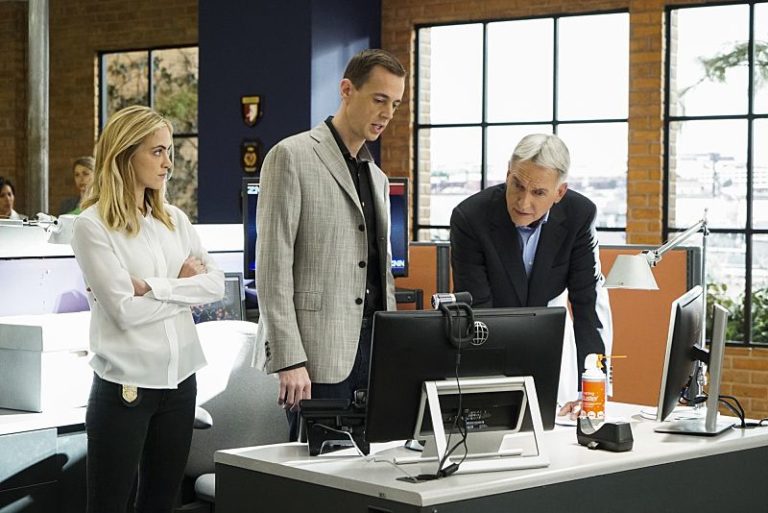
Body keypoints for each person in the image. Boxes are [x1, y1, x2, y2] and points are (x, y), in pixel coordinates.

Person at [70, 105, 224, 513]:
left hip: (181, 382)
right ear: (125, 154)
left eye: (169, 151)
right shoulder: (92, 226)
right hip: (126, 387)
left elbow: (215, 285)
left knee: (161, 503)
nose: (168, 163)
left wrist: (153, 287)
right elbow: (123, 312)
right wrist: (182, 287)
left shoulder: (174, 219)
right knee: (108, 506)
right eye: (157, 151)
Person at [254, 49, 407, 440]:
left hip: (374, 353)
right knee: (318, 471)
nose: (387, 113)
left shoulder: (376, 177)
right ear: (346, 90)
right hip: (316, 357)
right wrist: (289, 359)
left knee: (370, 467)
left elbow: (382, 273)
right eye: (379, 99)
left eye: (395, 104)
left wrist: (393, 354)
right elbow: (272, 269)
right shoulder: (291, 156)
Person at [449, 133, 613, 418]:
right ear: (508, 175)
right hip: (491, 345)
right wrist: (493, 392)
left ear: (559, 193)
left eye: (538, 193)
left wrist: (590, 390)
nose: (523, 202)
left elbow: (588, 305)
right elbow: (478, 312)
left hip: (553, 342)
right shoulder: (470, 218)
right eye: (517, 185)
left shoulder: (580, 215)